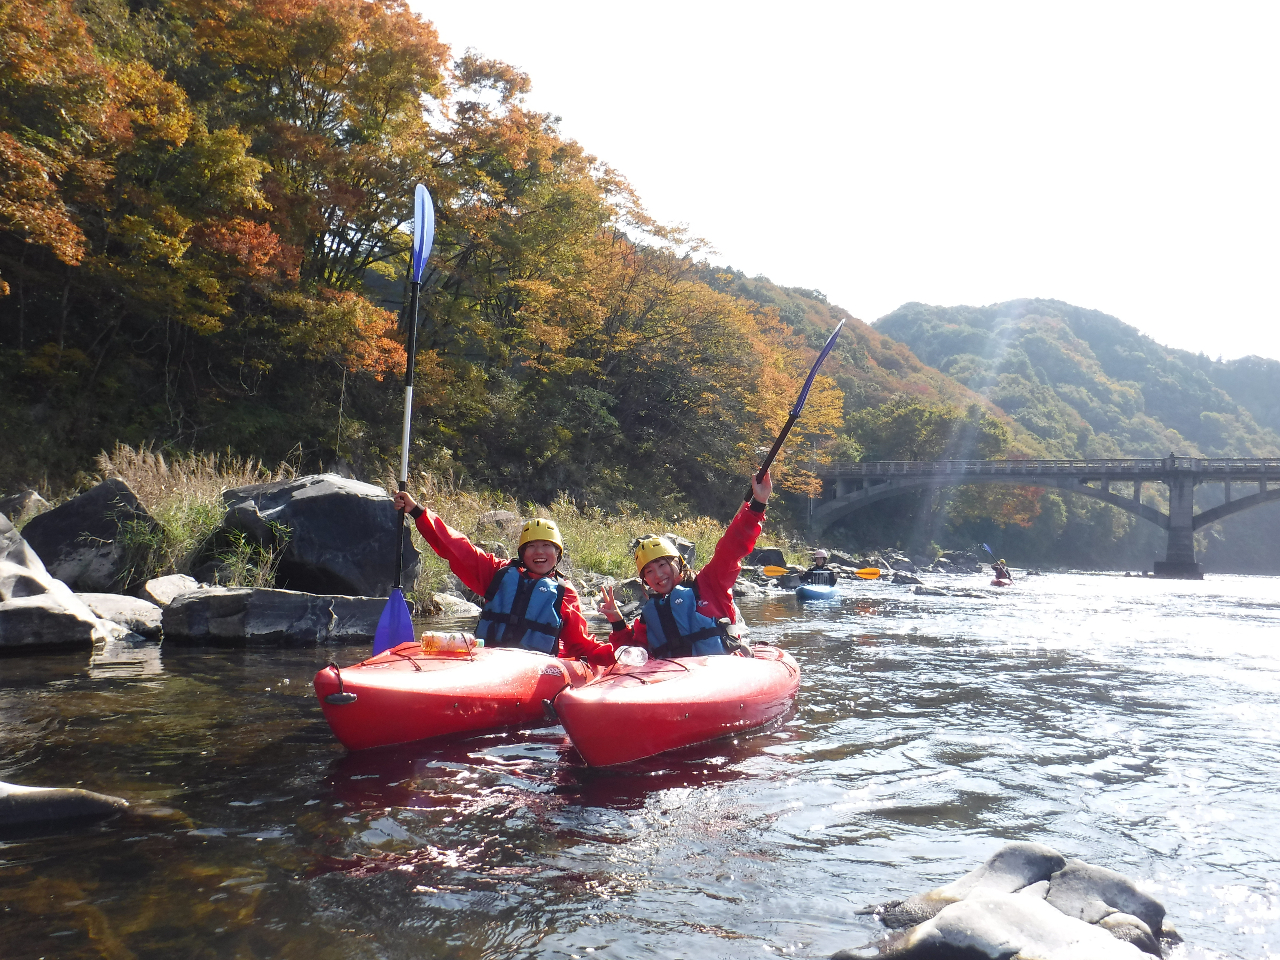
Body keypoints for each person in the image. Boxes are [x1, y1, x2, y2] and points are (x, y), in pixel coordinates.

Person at [392, 491, 616, 666]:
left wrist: (617, 654)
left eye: (547, 546)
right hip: (488, 660)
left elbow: (579, 643)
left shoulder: (564, 592)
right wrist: (418, 512)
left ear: (557, 555)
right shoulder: (497, 573)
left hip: (534, 668)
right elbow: (456, 547)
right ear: (521, 554)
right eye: (531, 547)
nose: (539, 552)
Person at [598, 471, 771, 658]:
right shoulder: (650, 616)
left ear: (678, 563)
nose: (658, 575)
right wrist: (617, 621)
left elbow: (731, 547)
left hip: (719, 672)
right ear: (645, 580)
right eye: (649, 571)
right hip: (678, 678)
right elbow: (634, 654)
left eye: (662, 565)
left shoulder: (711, 582)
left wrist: (758, 504)